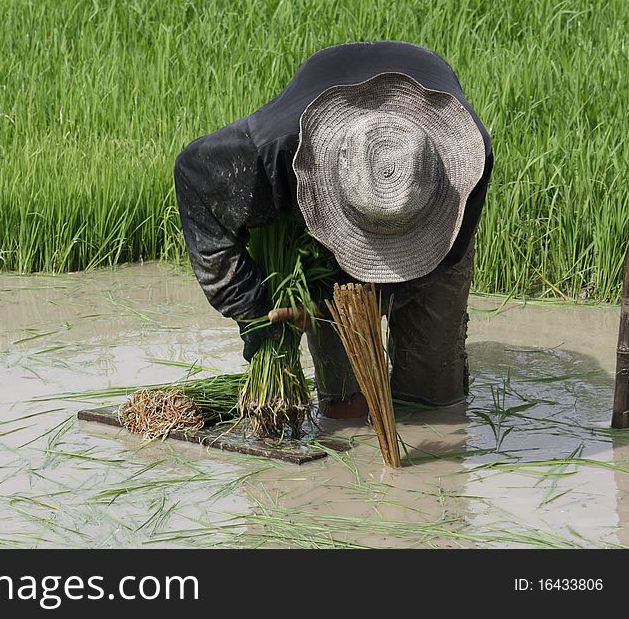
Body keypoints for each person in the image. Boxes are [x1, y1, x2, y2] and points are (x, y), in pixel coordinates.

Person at [174, 40, 493, 419]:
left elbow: (441, 263)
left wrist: (366, 299)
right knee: (343, 403)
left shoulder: (467, 161)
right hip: (324, 232)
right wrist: (254, 310)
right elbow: (193, 180)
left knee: (434, 397)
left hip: (431, 219)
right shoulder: (272, 151)